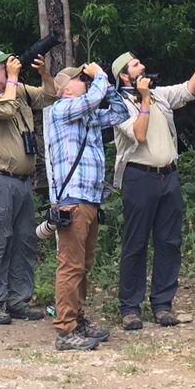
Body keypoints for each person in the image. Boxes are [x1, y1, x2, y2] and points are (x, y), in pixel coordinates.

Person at [110, 47, 195, 330]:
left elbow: (187, 90)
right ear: (124, 76)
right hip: (139, 177)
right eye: (136, 65)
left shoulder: (159, 94)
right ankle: (130, 308)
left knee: (169, 242)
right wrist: (144, 99)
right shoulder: (118, 104)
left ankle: (162, 304)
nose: (142, 66)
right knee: (136, 243)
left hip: (168, 176)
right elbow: (139, 133)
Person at [43, 62, 134, 352]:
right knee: (70, 266)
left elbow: (119, 113)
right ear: (67, 88)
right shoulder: (61, 109)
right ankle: (66, 329)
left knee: (83, 266)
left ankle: (78, 321)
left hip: (90, 200)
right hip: (73, 200)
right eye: (81, 79)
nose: (87, 81)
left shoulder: (87, 116)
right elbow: (93, 99)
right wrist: (102, 77)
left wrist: (106, 86)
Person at [0, 50, 54, 325]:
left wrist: (44, 74)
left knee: (24, 241)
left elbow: (49, 96)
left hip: (22, 181)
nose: (9, 67)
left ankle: (18, 301)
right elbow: (4, 111)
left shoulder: (15, 90)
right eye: (3, 65)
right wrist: (15, 77)